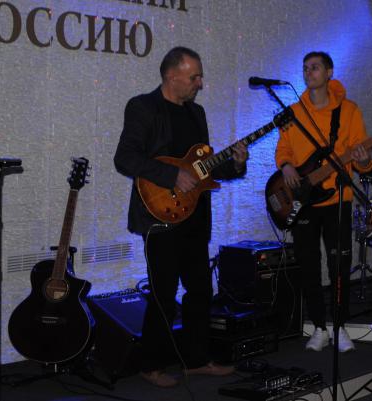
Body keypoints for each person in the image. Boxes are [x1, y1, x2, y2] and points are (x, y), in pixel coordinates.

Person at [114, 47, 248, 387]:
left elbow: (202, 169)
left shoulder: (196, 113)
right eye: (194, 77)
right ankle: (151, 365)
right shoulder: (142, 107)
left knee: (200, 290)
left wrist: (236, 164)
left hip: (195, 216)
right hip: (159, 216)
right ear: (171, 76)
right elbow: (125, 158)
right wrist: (171, 175)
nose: (199, 83)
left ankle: (196, 360)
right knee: (163, 292)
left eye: (199, 76)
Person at [275, 51, 372, 352]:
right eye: (305, 68)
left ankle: (340, 326)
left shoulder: (349, 111)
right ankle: (319, 327)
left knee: (339, 265)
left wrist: (363, 160)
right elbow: (283, 149)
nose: (309, 72)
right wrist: (286, 166)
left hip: (338, 199)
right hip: (303, 203)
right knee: (308, 266)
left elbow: (361, 160)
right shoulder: (294, 112)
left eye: (315, 67)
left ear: (329, 72)